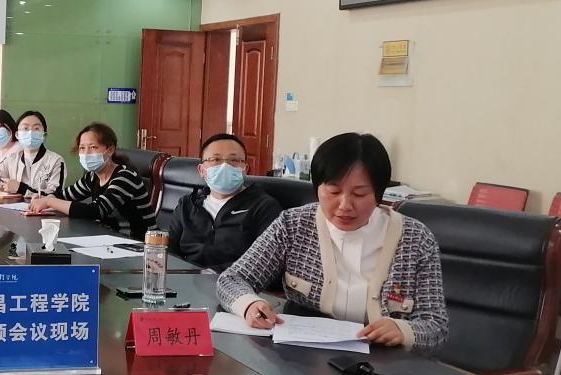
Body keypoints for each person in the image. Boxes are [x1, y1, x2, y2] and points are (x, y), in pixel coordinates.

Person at [216, 132, 447, 351]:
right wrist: (249, 304)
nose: (345, 205)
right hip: (301, 357)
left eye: (359, 194)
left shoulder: (415, 238)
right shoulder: (293, 225)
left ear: (379, 194)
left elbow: (435, 326)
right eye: (334, 192)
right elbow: (232, 279)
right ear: (317, 189)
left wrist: (402, 330)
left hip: (384, 363)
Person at [167, 133, 281, 272]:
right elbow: (169, 250)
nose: (225, 166)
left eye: (234, 160)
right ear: (202, 170)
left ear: (245, 169)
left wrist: (211, 274)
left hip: (234, 281)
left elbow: (267, 262)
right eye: (215, 159)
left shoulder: (264, 207)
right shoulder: (187, 205)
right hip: (184, 278)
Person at [27, 122, 154, 239]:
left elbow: (96, 210)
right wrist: (46, 197)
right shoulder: (93, 176)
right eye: (82, 148)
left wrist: (49, 201)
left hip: (140, 242)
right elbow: (66, 194)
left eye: (93, 147)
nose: (86, 153)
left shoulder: (125, 176)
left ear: (110, 150)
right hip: (109, 239)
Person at [0, 110, 65, 195]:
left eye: (36, 128)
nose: (30, 132)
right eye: (25, 128)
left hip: (42, 204)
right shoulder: (11, 159)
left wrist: (21, 188)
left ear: (44, 135)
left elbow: (55, 195)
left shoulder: (56, 161)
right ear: (17, 135)